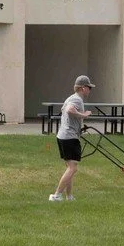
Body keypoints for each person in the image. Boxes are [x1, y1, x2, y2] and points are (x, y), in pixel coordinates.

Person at [50, 74, 95, 202]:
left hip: (63, 136)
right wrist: (83, 115)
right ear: (82, 88)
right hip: (69, 137)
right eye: (89, 87)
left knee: (70, 167)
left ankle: (69, 196)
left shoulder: (71, 98)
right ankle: (57, 195)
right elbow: (69, 110)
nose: (90, 90)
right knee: (73, 168)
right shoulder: (77, 100)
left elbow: (64, 109)